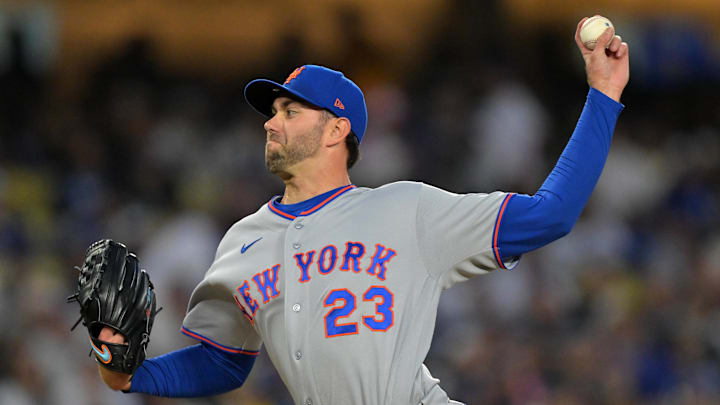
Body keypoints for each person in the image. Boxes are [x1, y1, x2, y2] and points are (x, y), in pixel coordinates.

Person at [95, 17, 629, 404]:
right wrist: (131, 375)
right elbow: (221, 361)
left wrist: (603, 93)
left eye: (290, 110)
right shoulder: (242, 241)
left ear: (337, 128)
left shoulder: (408, 209)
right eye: (273, 112)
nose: (270, 122)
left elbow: (551, 214)